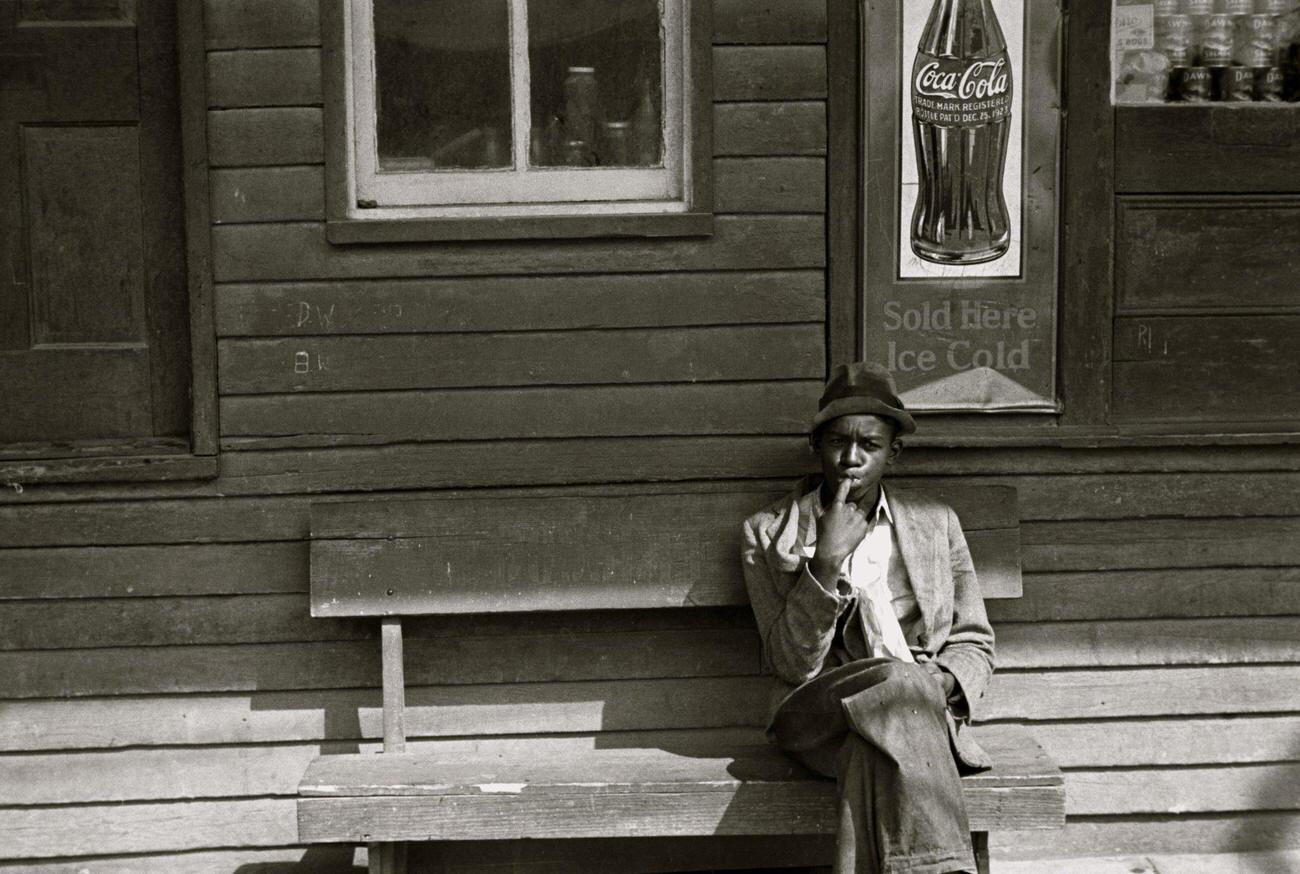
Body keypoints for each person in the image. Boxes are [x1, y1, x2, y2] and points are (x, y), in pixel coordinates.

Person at [740, 361, 995, 874]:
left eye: (870, 446)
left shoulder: (937, 524)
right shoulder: (767, 532)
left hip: (911, 715)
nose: (851, 459)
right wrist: (826, 562)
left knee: (873, 747)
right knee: (894, 682)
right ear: (817, 445)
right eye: (837, 442)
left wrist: (939, 680)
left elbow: (973, 641)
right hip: (817, 714)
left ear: (893, 453)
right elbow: (790, 664)